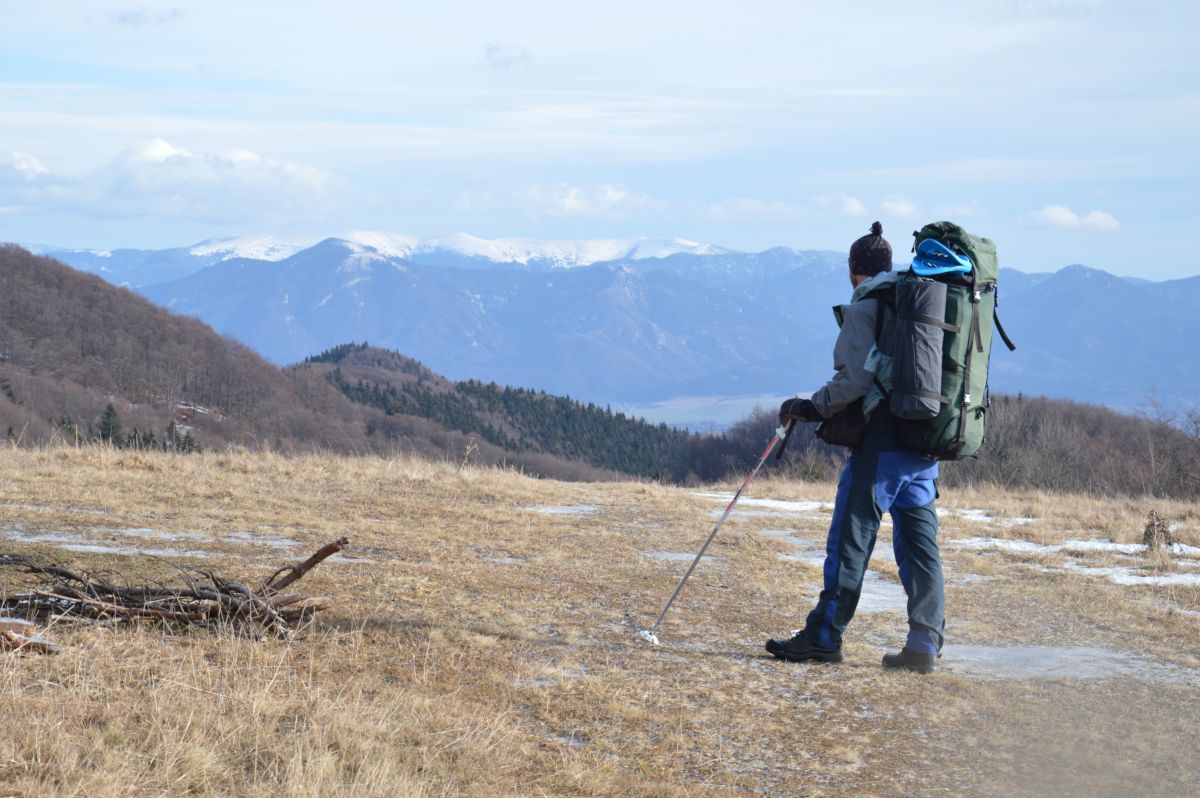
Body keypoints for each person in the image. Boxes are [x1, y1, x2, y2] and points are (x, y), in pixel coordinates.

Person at [766, 221, 944, 674]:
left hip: (882, 445)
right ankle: (924, 644)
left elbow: (853, 382)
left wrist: (809, 407)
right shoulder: (922, 300)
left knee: (850, 541)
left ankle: (824, 637)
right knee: (921, 549)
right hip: (925, 445)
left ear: (853, 271)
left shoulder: (869, 306)